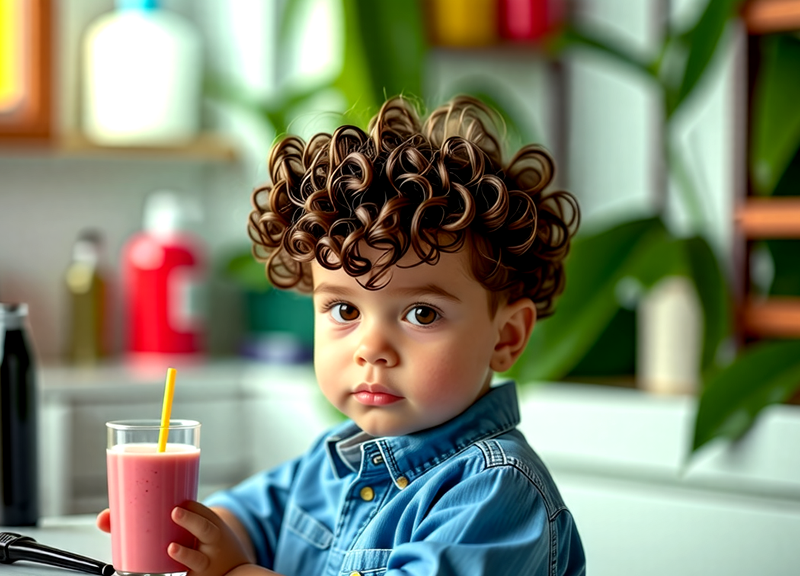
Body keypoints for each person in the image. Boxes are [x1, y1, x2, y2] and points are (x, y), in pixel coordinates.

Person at [97, 95, 586, 575]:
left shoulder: (496, 493)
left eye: (421, 314)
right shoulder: (332, 462)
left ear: (506, 337)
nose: (371, 348)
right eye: (345, 308)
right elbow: (244, 520)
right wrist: (188, 538)